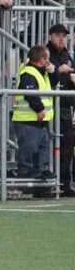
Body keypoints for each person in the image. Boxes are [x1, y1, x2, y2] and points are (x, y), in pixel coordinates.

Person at [11, 45, 55, 182]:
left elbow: (54, 82)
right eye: (47, 59)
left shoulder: (42, 72)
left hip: (38, 120)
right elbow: (30, 94)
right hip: (28, 119)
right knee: (28, 148)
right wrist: (40, 108)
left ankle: (41, 169)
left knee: (42, 147)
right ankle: (25, 173)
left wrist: (53, 72)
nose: (49, 62)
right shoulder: (28, 73)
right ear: (41, 60)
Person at [46, 23, 74, 196]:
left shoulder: (66, 55)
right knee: (51, 147)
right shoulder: (44, 53)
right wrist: (59, 70)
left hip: (66, 107)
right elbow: (45, 74)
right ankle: (51, 183)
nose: (61, 38)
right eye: (58, 35)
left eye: (64, 35)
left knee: (67, 147)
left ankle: (65, 184)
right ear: (50, 37)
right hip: (50, 107)